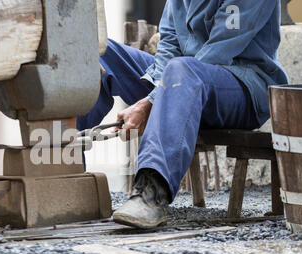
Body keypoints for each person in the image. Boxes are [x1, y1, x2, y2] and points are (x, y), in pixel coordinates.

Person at [77, 0, 288, 229]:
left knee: (182, 70)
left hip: (242, 87)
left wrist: (151, 101)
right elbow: (168, 44)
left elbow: (219, 51)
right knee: (104, 54)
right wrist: (157, 90)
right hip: (180, 80)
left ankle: (151, 192)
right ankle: (66, 170)